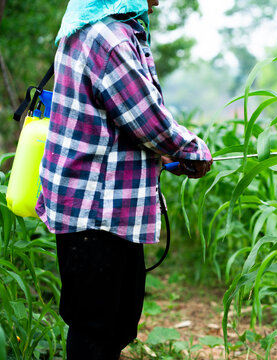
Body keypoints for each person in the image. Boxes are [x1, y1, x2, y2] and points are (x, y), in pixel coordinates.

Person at [35, 0, 212, 358]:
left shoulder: (88, 26)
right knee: (97, 327)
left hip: (95, 206)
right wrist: (190, 149)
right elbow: (146, 117)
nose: (159, 0)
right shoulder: (109, 37)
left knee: (110, 322)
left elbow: (109, 119)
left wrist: (163, 152)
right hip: (98, 211)